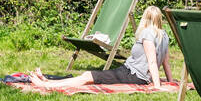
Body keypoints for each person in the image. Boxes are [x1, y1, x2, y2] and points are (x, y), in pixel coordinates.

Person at [29, 6, 173, 89]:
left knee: (88, 76)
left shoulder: (147, 33)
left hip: (134, 75)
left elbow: (153, 62)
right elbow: (165, 63)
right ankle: (49, 82)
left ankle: (46, 86)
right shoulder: (164, 35)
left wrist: (157, 86)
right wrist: (171, 82)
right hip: (129, 71)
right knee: (88, 76)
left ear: (145, 18)